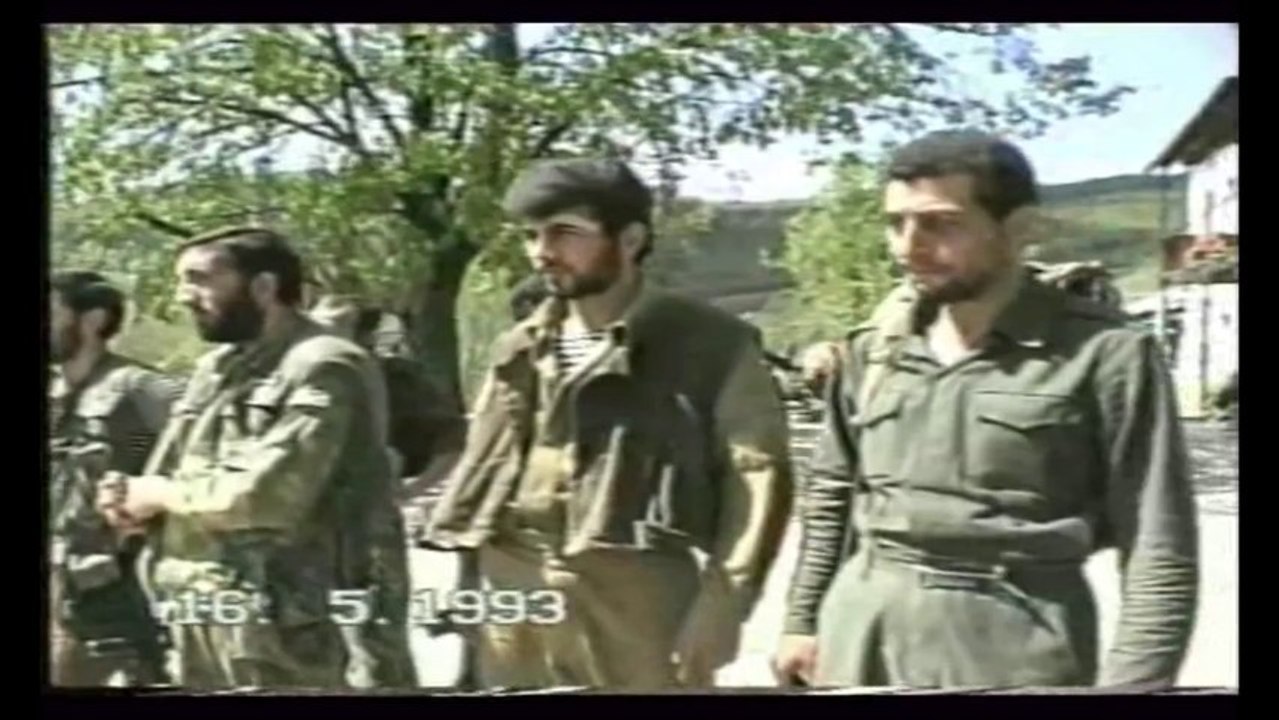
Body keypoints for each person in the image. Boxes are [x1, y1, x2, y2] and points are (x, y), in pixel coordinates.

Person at [774, 130, 1199, 689]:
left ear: (1020, 229)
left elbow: (1158, 543)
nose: (907, 246)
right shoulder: (872, 351)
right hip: (862, 630)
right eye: (896, 223)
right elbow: (833, 497)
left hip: (1013, 644)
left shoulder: (1105, 354)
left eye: (940, 223)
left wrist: (1136, 688)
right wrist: (802, 622)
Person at [421, 158, 794, 690]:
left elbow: (755, 478)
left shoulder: (709, 344)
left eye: (566, 233)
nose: (541, 252)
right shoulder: (520, 349)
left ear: (631, 238)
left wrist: (723, 603)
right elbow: (484, 476)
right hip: (516, 591)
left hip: (634, 598)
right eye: (531, 235)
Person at [94, 227, 415, 689]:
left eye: (200, 280)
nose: (185, 297)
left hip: (301, 625)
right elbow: (173, 466)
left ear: (264, 287)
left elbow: (265, 495)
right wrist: (126, 499)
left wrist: (161, 494)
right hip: (208, 610)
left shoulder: (324, 365)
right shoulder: (218, 367)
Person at [48, 271, 182, 687]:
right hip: (65, 591)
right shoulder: (58, 395)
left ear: (92, 320)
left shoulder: (140, 388)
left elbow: (209, 450)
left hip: (119, 593)